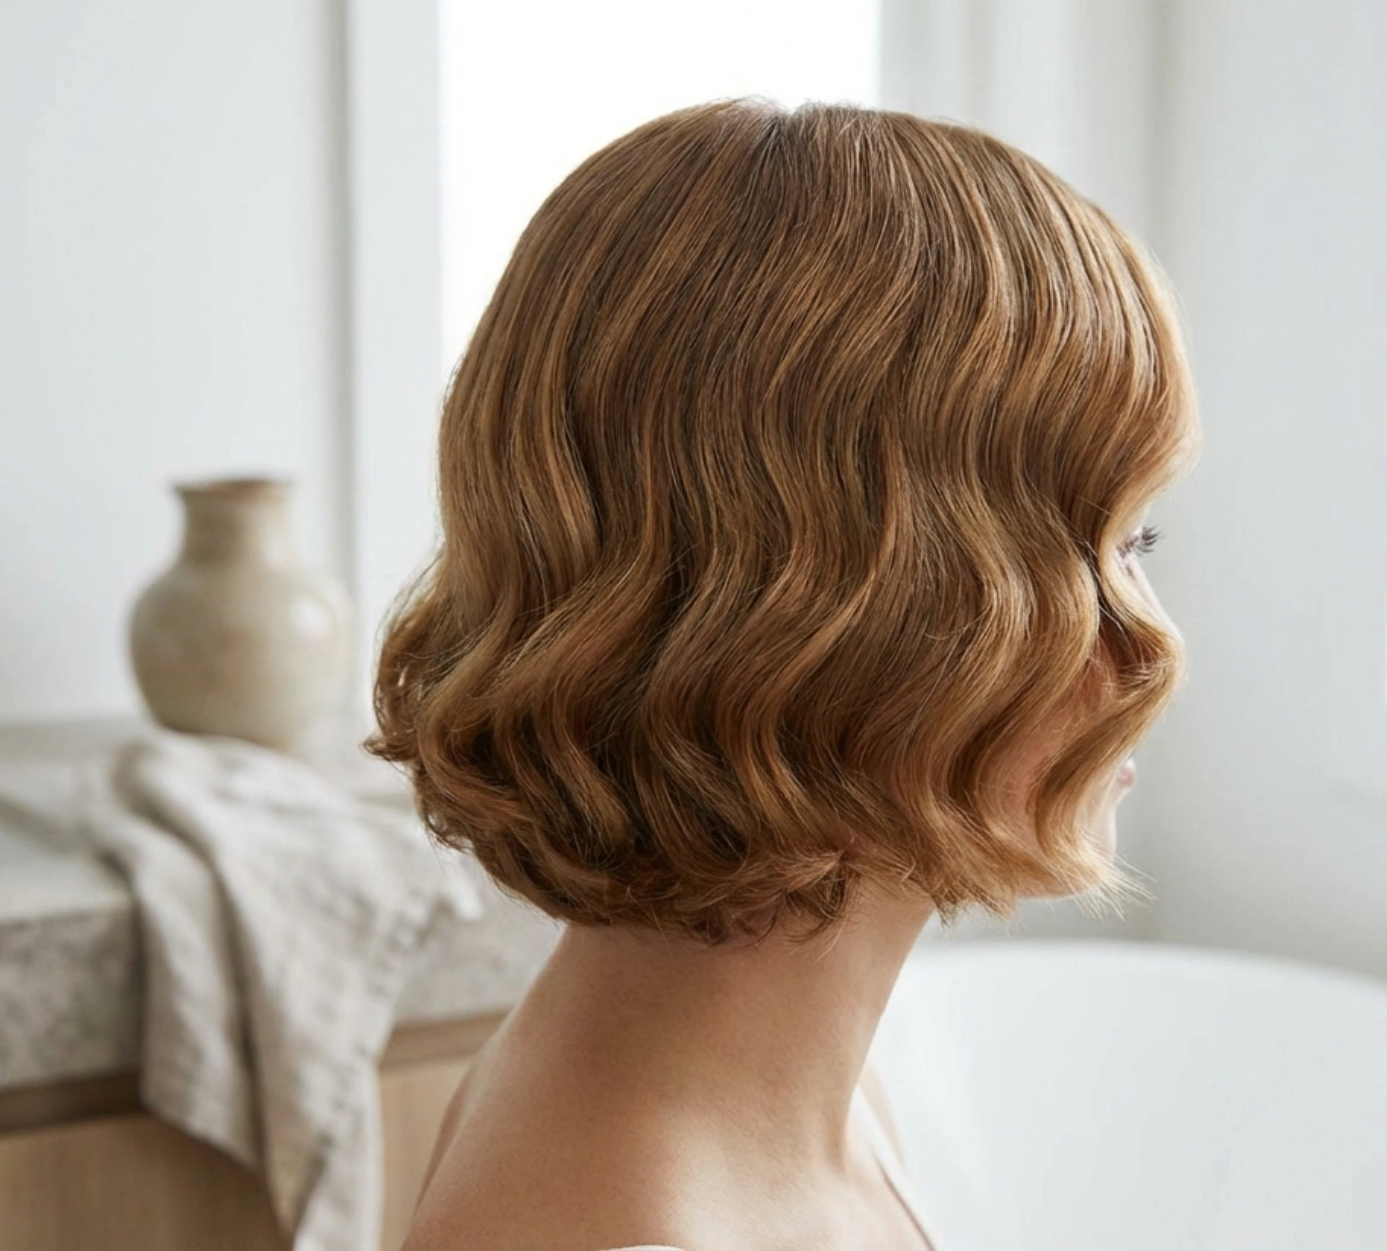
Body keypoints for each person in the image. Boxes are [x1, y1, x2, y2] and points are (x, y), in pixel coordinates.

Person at [368, 97, 1199, 1251]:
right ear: (844, 614)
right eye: (1099, 553)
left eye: (1136, 545)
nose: (1143, 651)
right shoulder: (656, 1211)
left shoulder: (772, 1093)